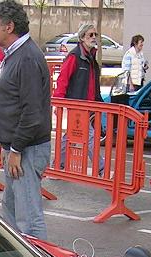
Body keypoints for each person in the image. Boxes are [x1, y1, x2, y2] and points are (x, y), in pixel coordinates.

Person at [0, 0, 51, 239]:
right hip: (18, 148)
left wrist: (16, 149)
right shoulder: (16, 55)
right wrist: (11, 148)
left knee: (28, 220)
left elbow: (32, 112)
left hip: (26, 149)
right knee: (12, 213)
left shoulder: (27, 58)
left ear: (9, 26)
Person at [53, 23, 104, 174]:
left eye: (95, 35)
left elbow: (94, 83)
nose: (94, 38)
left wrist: (99, 102)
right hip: (78, 104)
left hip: (88, 105)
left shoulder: (91, 58)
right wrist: (58, 102)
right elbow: (63, 78)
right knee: (89, 136)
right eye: (90, 35)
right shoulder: (75, 56)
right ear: (82, 37)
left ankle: (58, 165)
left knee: (71, 135)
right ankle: (102, 168)